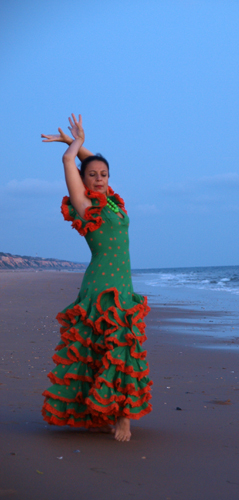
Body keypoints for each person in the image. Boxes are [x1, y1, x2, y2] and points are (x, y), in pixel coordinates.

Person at [41, 114, 152, 442]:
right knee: (105, 350)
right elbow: (69, 162)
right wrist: (70, 148)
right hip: (101, 288)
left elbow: (91, 161)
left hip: (123, 286)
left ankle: (113, 413)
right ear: (83, 180)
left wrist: (76, 142)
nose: (99, 179)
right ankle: (121, 419)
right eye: (93, 176)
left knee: (122, 349)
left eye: (104, 175)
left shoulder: (112, 203)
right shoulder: (85, 206)